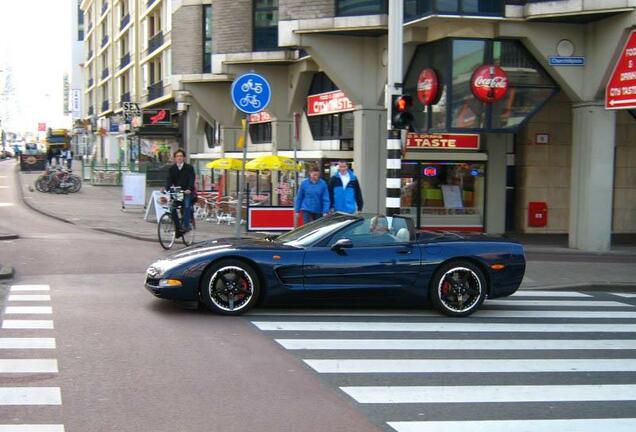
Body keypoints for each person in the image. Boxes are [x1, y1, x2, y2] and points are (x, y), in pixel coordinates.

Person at [162, 149, 196, 235]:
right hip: (178, 192)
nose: (179, 158)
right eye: (177, 156)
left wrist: (189, 189)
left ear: (184, 158)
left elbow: (192, 179)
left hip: (187, 192)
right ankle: (178, 228)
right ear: (175, 158)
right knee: (172, 208)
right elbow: (169, 180)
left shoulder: (189, 168)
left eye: (181, 156)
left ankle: (186, 225)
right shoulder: (172, 169)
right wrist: (165, 188)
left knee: (187, 206)